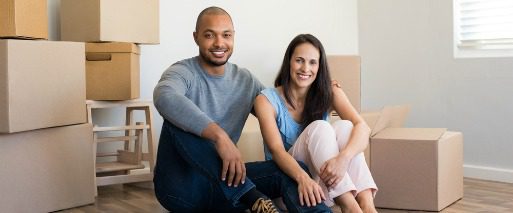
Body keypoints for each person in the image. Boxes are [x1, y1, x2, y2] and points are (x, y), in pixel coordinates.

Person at [153, 7, 331, 213]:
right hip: (182, 189)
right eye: (209, 35)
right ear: (196, 38)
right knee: (177, 121)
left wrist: (319, 91)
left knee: (292, 170)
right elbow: (164, 96)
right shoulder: (183, 72)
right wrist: (219, 136)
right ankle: (252, 197)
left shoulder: (245, 80)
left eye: (226, 35)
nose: (219, 43)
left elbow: (280, 109)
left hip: (224, 186)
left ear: (233, 37)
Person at [254, 34, 378, 213]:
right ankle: (350, 207)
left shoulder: (329, 91)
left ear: (320, 66)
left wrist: (343, 159)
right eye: (299, 60)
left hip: (325, 186)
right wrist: (303, 179)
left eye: (313, 62)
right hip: (292, 189)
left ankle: (367, 206)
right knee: (320, 127)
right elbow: (277, 151)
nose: (305, 68)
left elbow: (363, 127)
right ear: (289, 62)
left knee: (347, 127)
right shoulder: (266, 100)